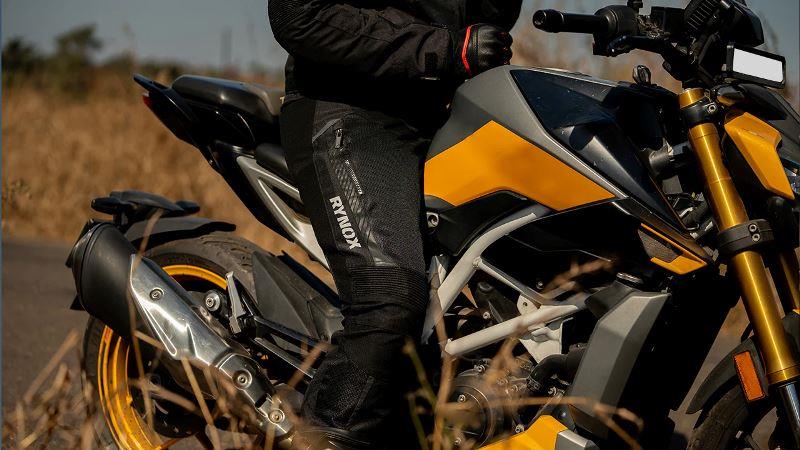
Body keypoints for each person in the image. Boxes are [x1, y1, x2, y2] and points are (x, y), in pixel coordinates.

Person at [268, 1, 521, 448]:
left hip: (451, 114)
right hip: (349, 111)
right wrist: (444, 49)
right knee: (389, 299)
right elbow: (298, 17)